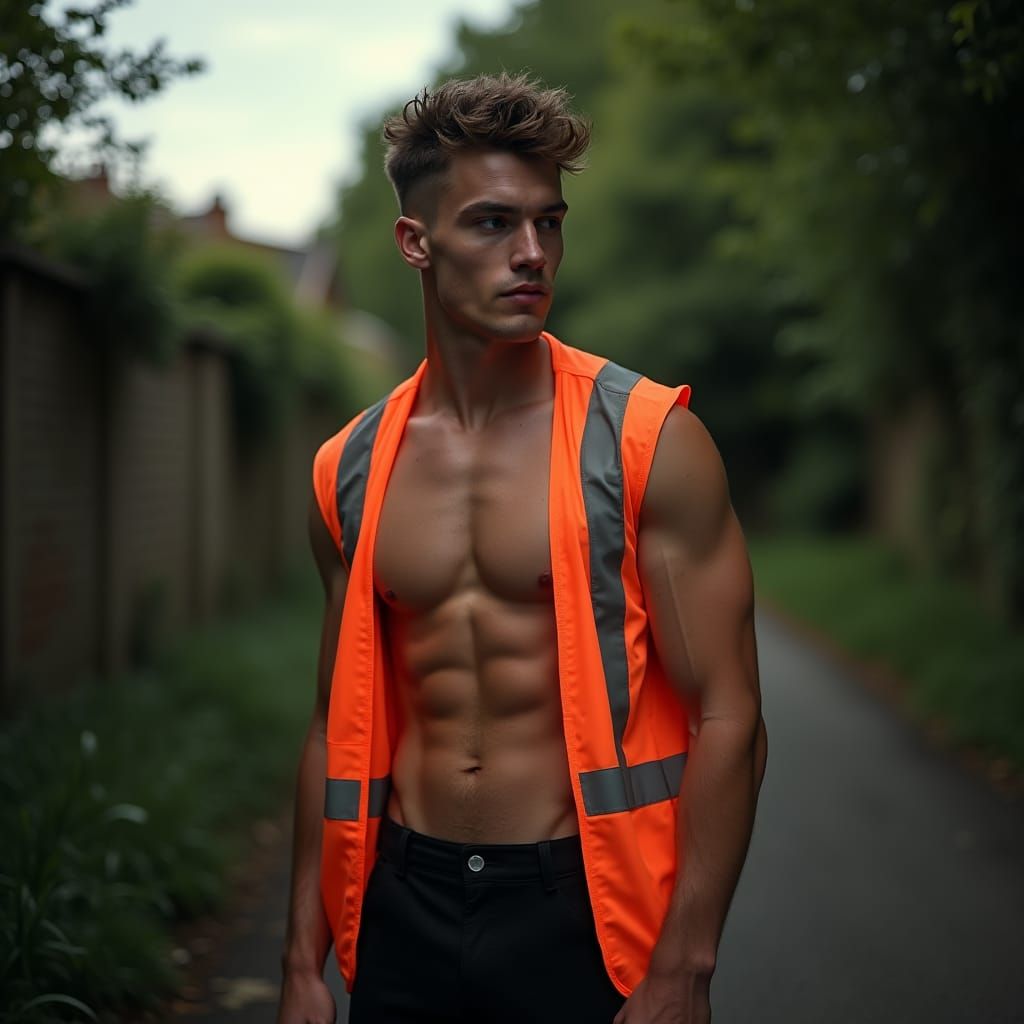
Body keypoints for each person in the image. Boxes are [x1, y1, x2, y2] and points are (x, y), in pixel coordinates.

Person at [276, 72, 767, 1024]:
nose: (533, 253)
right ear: (415, 242)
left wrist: (685, 968)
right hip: (399, 906)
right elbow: (333, 730)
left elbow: (732, 717)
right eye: (494, 224)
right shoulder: (348, 466)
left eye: (550, 222)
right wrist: (301, 958)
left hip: (583, 911)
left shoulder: (648, 441)